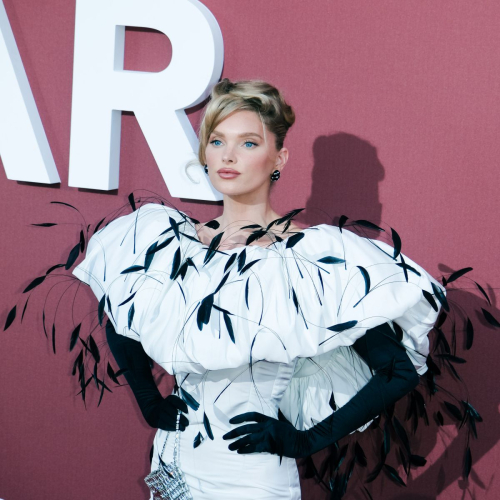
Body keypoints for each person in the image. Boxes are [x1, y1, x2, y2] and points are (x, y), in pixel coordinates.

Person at [68, 78, 449, 499]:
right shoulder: (163, 239)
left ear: (278, 157)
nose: (228, 156)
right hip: (171, 466)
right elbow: (122, 316)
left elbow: (398, 369)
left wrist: (304, 441)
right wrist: (149, 401)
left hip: (250, 480)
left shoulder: (309, 259)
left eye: (248, 143)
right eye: (217, 141)